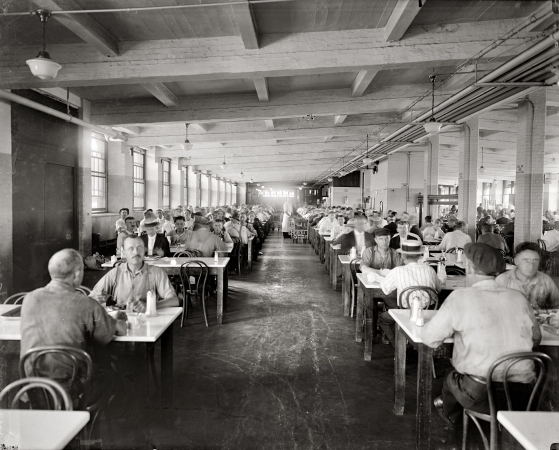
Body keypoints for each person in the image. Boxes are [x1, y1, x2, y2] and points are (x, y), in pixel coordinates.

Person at [423, 243, 541, 427]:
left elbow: (430, 339)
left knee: (450, 377)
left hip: (480, 392)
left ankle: (454, 420)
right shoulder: (518, 297)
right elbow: (536, 338)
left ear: (468, 266)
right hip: (523, 394)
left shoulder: (460, 296)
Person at [21, 249, 127, 404]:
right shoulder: (86, 303)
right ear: (77, 274)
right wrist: (120, 320)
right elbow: (117, 332)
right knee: (117, 377)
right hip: (71, 389)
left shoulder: (30, 299)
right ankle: (94, 423)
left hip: (31, 389)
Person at [373, 241, 440, 346]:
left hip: (406, 312)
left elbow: (386, 289)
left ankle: (399, 345)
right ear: (419, 256)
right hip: (429, 312)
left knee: (384, 318)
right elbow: (438, 290)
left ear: (403, 256)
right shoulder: (430, 269)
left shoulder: (398, 271)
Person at [91, 235, 179, 312]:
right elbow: (92, 297)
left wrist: (150, 305)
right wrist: (97, 298)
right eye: (131, 249)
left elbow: (174, 300)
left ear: (144, 250)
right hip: (121, 323)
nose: (136, 252)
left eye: (139, 248)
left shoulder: (156, 273)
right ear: (124, 253)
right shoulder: (115, 273)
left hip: (148, 323)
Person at [495, 242, 559, 310]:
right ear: (516, 261)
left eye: (535, 260)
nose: (531, 265)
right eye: (526, 260)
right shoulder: (503, 281)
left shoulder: (546, 281)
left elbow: (557, 306)